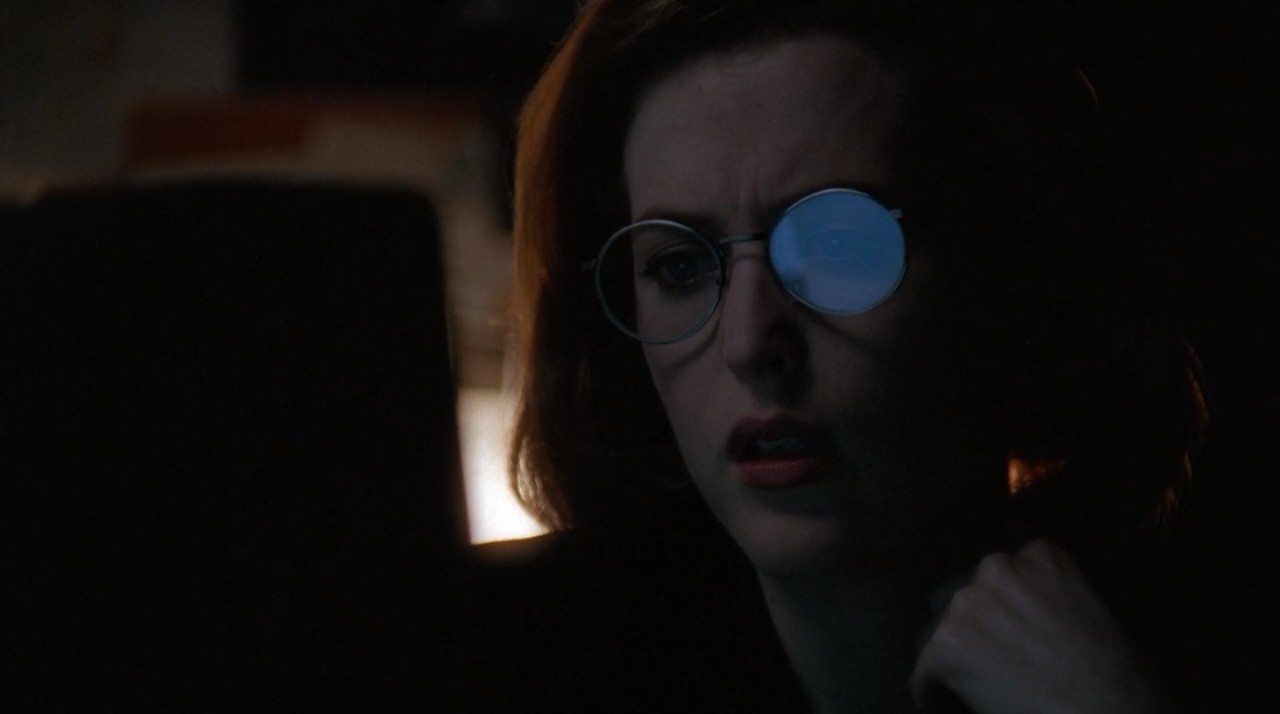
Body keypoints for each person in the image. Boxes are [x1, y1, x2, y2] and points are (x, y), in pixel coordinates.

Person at [505, 1, 1208, 712]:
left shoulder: (1222, 635)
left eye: (839, 244)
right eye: (680, 266)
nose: (749, 344)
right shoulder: (521, 665)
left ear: (1017, 274)